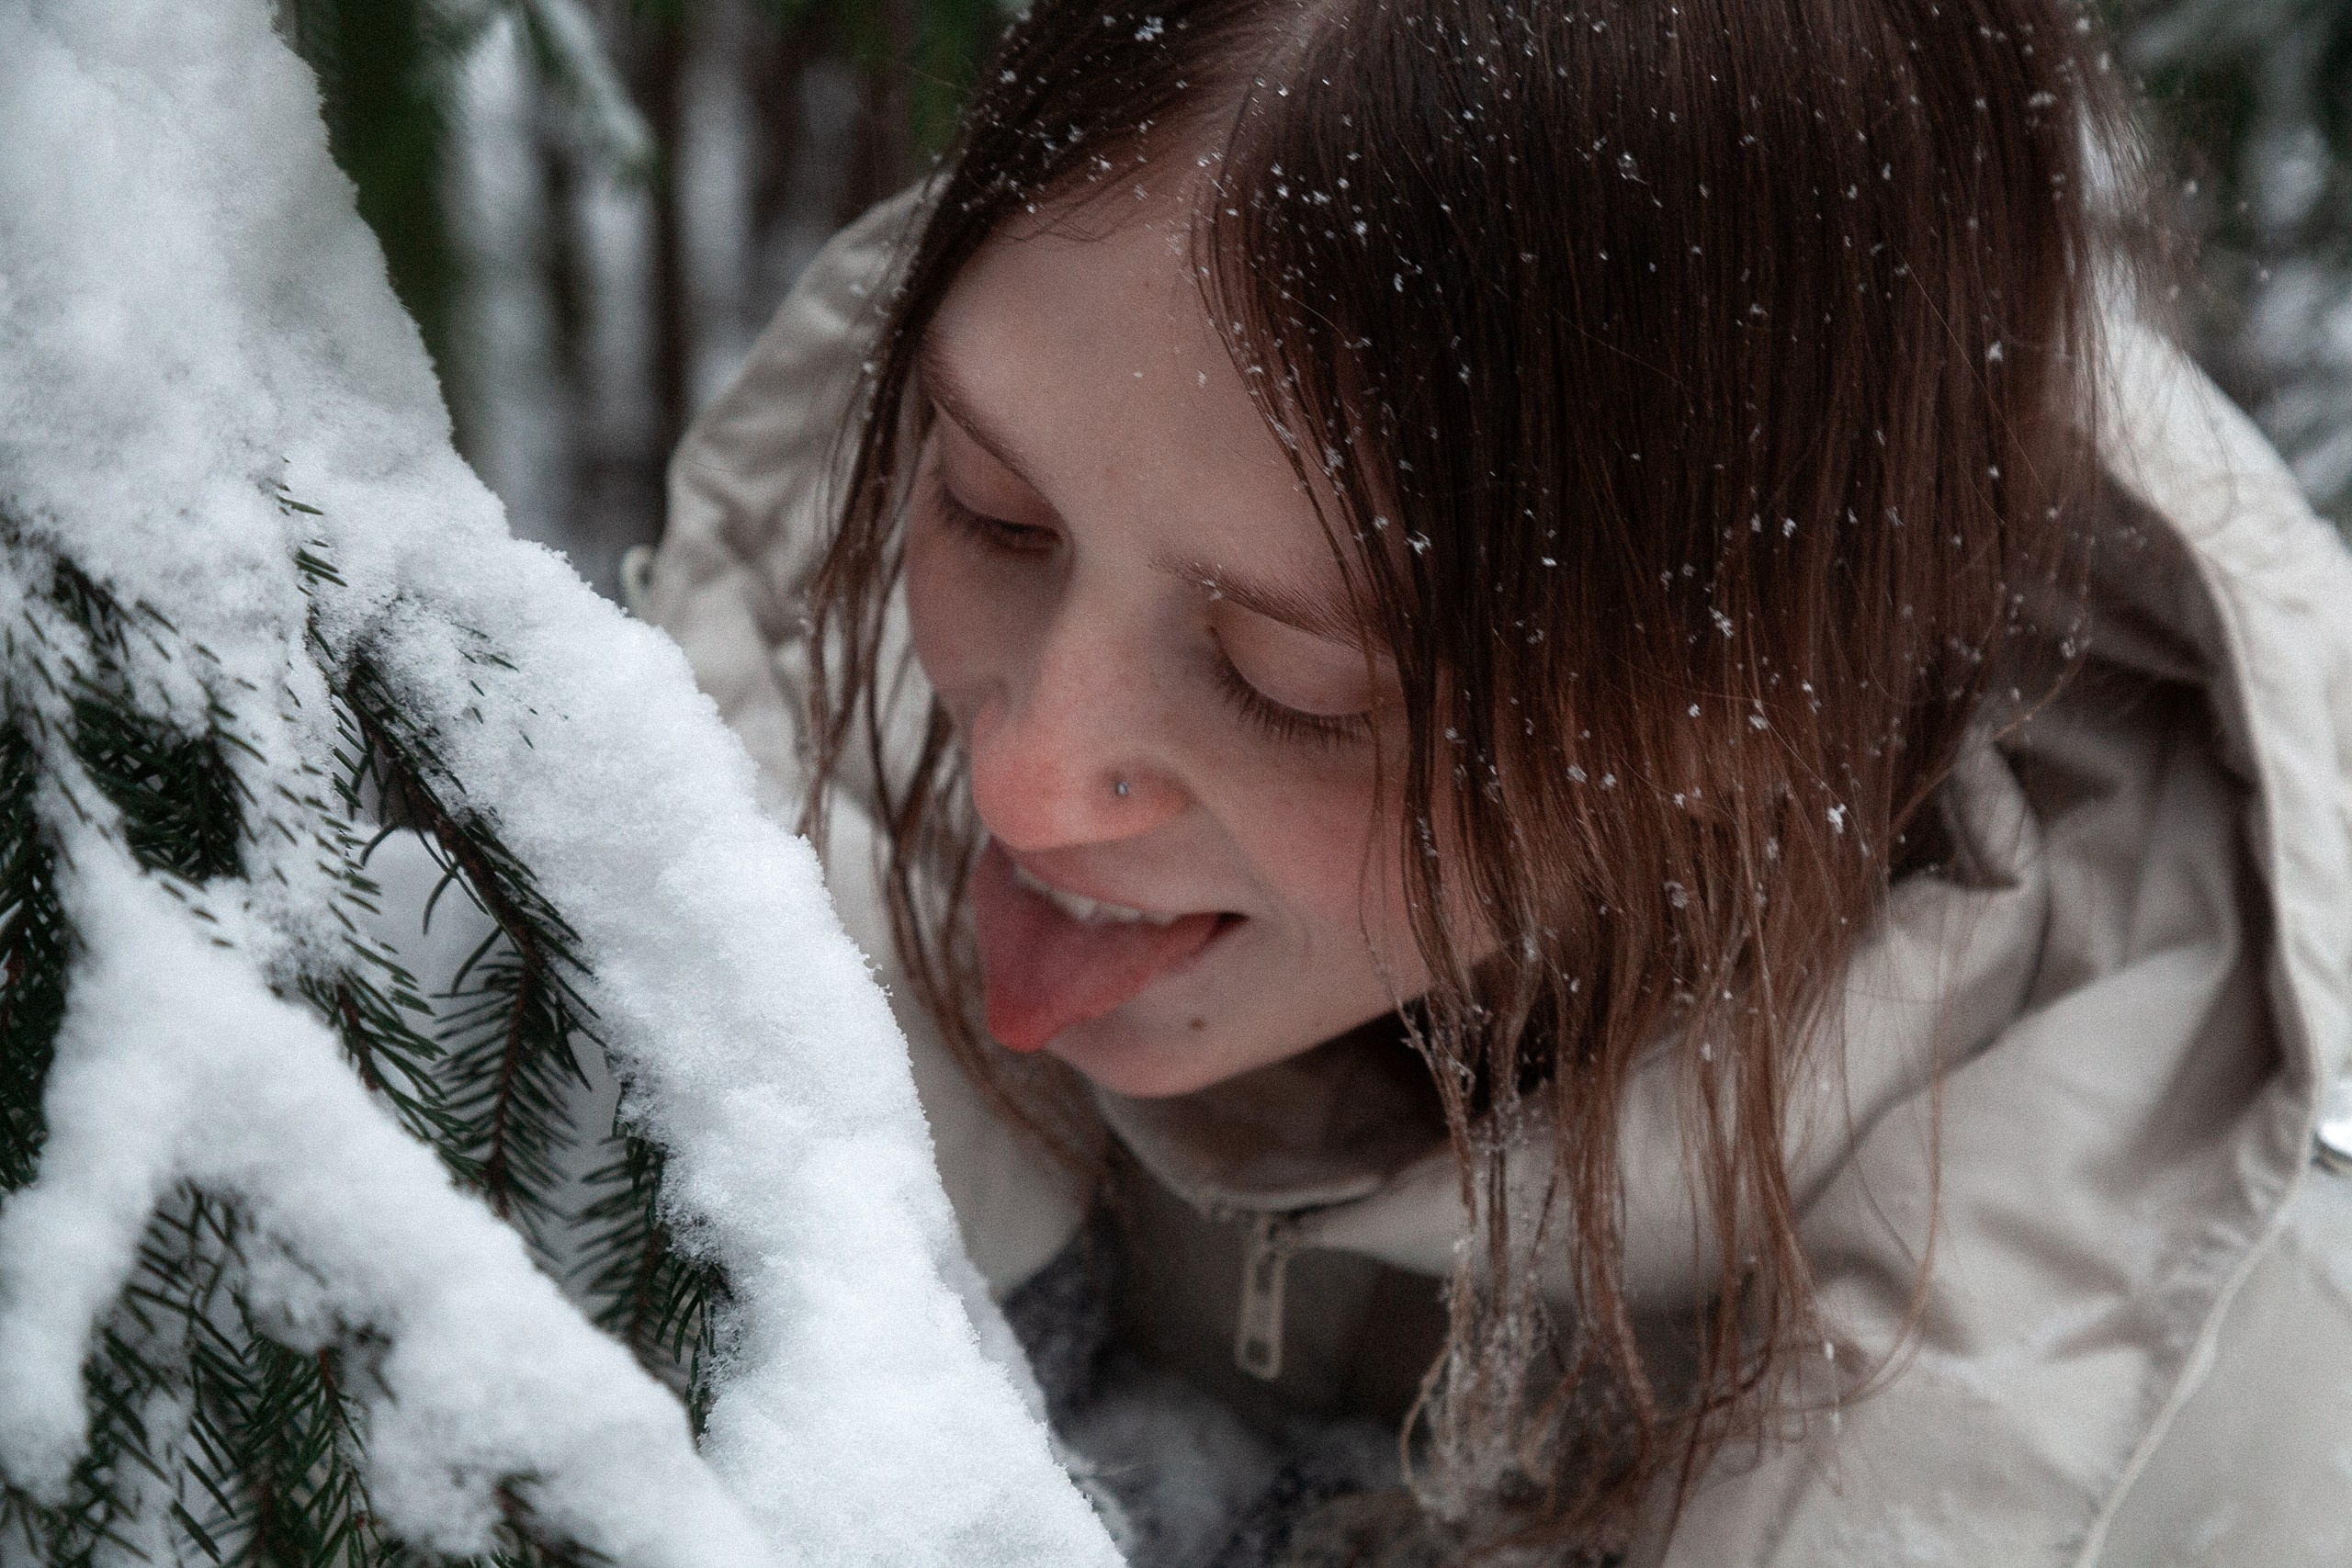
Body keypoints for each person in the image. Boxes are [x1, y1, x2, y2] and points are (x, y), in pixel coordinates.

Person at [628, 0, 2352, 1561]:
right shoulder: (666, 812)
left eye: (1290, 683)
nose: (1024, 783)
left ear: (1751, 705)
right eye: (993, 509)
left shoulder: (2230, 1434)